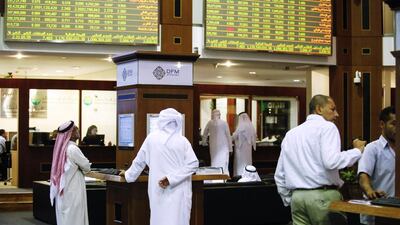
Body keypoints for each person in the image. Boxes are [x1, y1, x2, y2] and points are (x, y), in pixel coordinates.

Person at [274, 94, 366, 225]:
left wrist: (290, 199)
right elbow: (332, 161)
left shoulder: (291, 134)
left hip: (297, 199)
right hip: (323, 196)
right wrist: (357, 151)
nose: (337, 114)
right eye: (332, 109)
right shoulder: (327, 127)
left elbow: (279, 174)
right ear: (319, 109)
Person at [120, 108, 199, 225]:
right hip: (178, 191)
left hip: (157, 190)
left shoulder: (151, 139)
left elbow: (139, 162)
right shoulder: (182, 141)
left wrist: (127, 175)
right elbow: (193, 164)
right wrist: (171, 179)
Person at [358, 106, 396, 225]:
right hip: (376, 215)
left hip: (396, 214)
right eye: (394, 124)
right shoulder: (372, 149)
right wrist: (370, 192)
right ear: (382, 124)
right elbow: (363, 176)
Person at [50, 121, 91, 225]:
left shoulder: (63, 148)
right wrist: (85, 169)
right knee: (74, 219)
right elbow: (86, 166)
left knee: (65, 219)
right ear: (70, 133)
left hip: (65, 191)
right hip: (73, 191)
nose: (78, 131)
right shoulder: (72, 148)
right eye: (75, 129)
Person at [201, 109, 232, 175]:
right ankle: (223, 176)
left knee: (214, 162)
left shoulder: (210, 123)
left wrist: (204, 142)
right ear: (219, 115)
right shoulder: (224, 123)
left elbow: (205, 133)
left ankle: (215, 176)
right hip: (223, 147)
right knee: (223, 162)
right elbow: (228, 136)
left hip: (213, 147)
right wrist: (230, 148)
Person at [232, 112, 257, 176]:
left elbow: (234, 136)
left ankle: (240, 176)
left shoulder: (241, 126)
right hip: (248, 150)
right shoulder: (250, 126)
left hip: (240, 150)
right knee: (247, 163)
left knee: (240, 164)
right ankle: (248, 176)